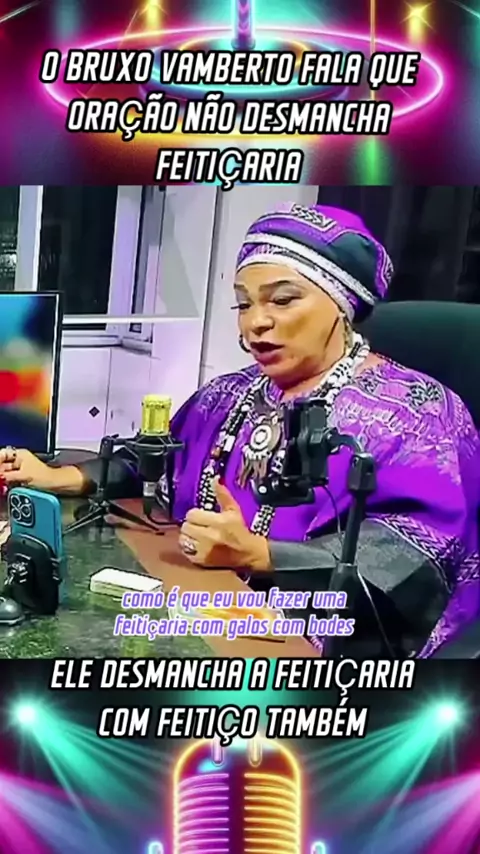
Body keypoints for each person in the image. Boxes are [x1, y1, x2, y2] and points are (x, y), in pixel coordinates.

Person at [1, 203, 479, 658]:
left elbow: (411, 561)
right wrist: (59, 477)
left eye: (283, 300)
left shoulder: (420, 414)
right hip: (197, 603)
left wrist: (262, 556)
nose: (255, 323)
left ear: (343, 304)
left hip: (319, 645)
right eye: (243, 304)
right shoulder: (228, 394)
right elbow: (155, 459)